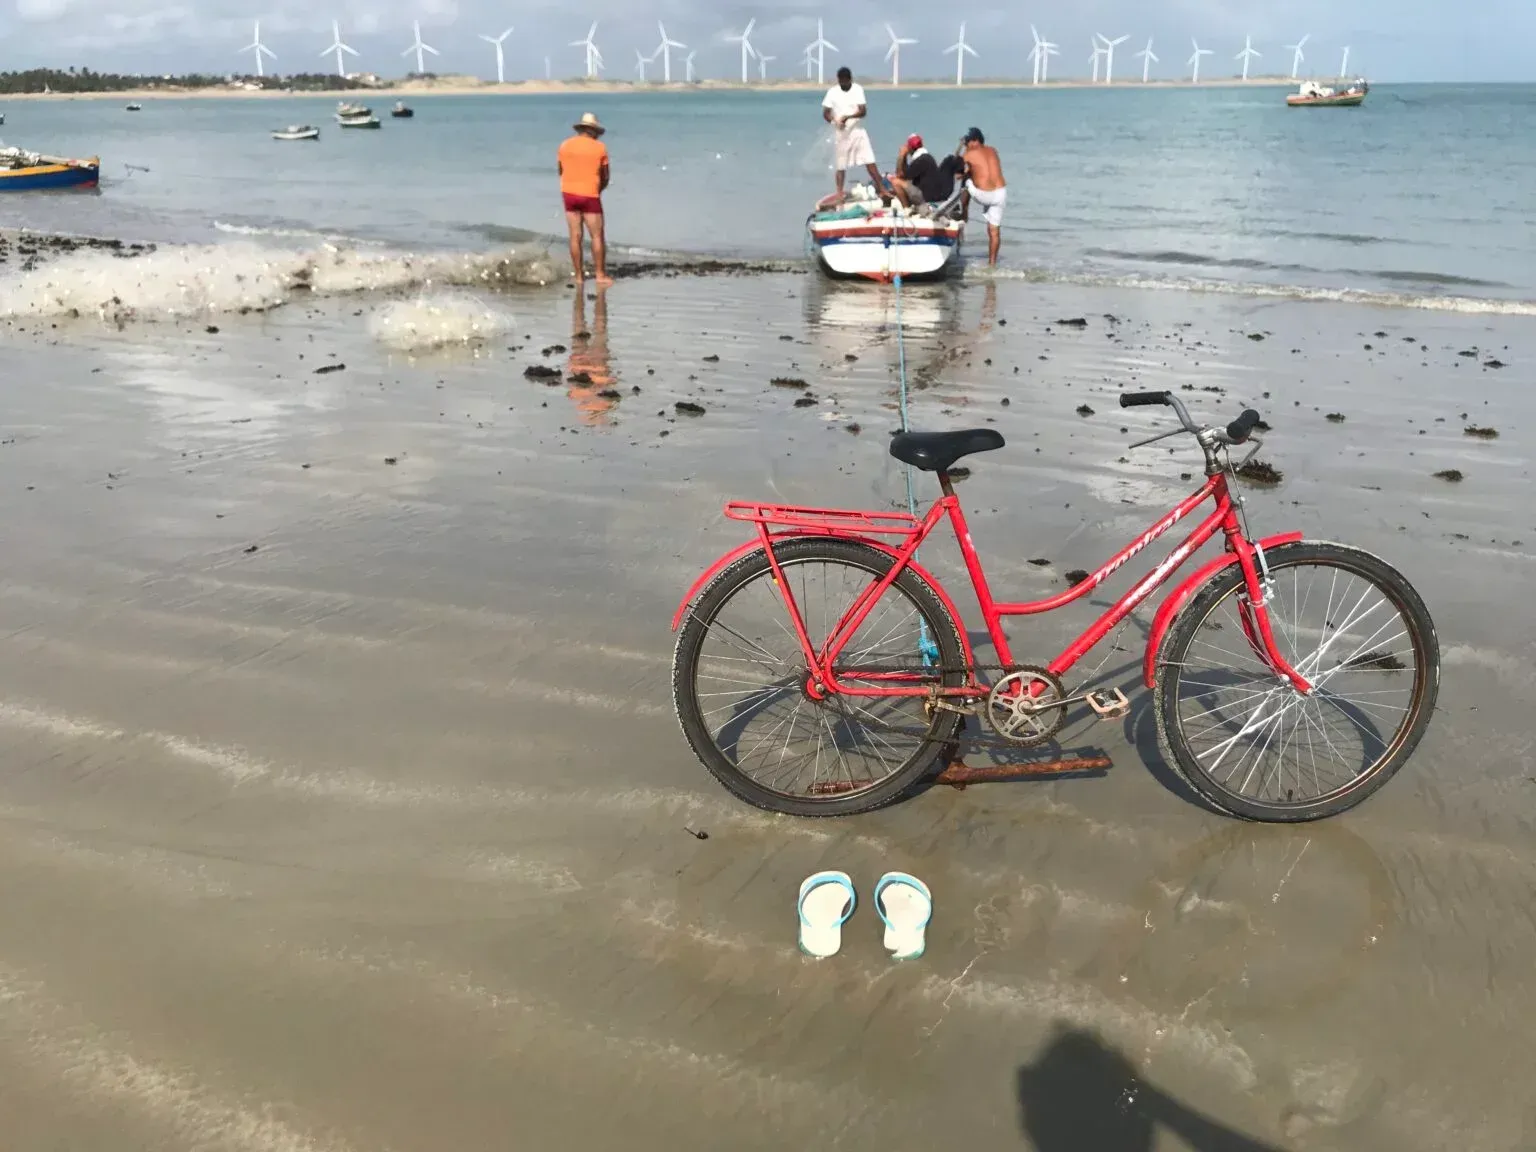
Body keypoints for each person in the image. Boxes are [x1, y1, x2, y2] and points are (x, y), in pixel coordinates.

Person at [557, 111, 612, 286]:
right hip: (590, 194)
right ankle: (600, 275)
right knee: (596, 236)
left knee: (575, 236)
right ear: (594, 130)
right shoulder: (600, 148)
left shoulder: (565, 145)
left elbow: (561, 170)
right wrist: (599, 188)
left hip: (569, 194)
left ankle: (579, 277)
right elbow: (605, 176)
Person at [821, 67, 887, 202]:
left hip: (857, 131)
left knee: (869, 160)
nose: (843, 84)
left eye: (846, 82)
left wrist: (848, 117)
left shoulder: (857, 89)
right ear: (838, 80)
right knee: (840, 165)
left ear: (850, 79)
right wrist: (835, 121)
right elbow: (826, 113)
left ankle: (882, 188)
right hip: (841, 132)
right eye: (841, 82)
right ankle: (839, 194)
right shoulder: (832, 92)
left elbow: (863, 111)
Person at [958, 126, 1006, 266]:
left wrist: (961, 148)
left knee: (966, 180)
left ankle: (964, 214)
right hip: (1001, 193)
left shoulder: (969, 154)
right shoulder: (993, 150)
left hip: (984, 195)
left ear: (976, 141)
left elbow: (957, 170)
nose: (968, 144)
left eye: (969, 142)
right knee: (994, 231)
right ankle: (992, 265)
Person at [889, 134, 964, 211]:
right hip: (930, 195)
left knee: (895, 182)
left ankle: (907, 210)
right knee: (902, 182)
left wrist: (902, 155)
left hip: (926, 197)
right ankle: (909, 208)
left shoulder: (921, 160)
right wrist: (904, 158)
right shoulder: (925, 158)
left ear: (910, 148)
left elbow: (900, 175)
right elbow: (905, 173)